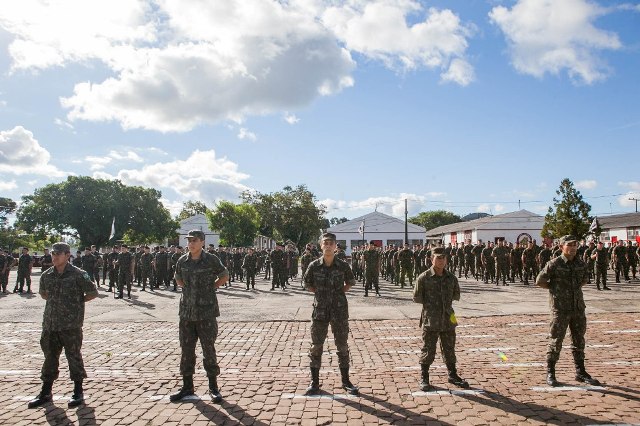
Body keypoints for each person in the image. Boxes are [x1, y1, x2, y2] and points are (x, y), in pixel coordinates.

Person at [28, 242, 98, 408]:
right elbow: (44, 294)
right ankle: (45, 392)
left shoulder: (79, 274)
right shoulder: (47, 275)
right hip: (51, 324)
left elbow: (92, 292)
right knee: (49, 358)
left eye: (58, 254)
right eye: (53, 254)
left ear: (67, 255)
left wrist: (75, 304)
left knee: (73, 357)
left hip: (70, 325)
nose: (54, 257)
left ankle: (78, 391)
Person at [170, 230, 229, 403]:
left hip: (206, 313)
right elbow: (178, 277)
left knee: (208, 350)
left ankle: (213, 387)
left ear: (202, 242)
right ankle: (187, 386)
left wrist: (212, 287)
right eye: (189, 240)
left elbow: (224, 275)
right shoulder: (183, 260)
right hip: (187, 313)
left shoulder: (211, 259)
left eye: (194, 240)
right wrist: (187, 290)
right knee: (186, 351)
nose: (191, 243)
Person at [536, 235, 601, 387]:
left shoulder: (580, 263)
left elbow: (584, 280)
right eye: (569, 245)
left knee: (579, 340)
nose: (572, 248)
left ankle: (580, 371)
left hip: (577, 307)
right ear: (561, 247)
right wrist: (555, 290)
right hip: (560, 308)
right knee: (556, 340)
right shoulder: (554, 264)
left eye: (575, 245)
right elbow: (540, 280)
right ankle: (550, 373)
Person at [303, 232, 358, 395]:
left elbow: (350, 282)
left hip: (339, 310)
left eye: (331, 243)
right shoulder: (314, 265)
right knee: (316, 346)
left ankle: (346, 381)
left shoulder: (343, 265)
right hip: (319, 311)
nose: (328, 246)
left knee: (342, 346)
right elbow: (307, 283)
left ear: (335, 247)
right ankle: (314, 382)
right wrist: (320, 293)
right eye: (325, 243)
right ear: (321, 246)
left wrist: (338, 293)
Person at [413, 247, 468, 391]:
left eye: (443, 258)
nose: (441, 261)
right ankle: (424, 377)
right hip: (431, 319)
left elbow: (456, 295)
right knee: (428, 349)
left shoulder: (451, 278)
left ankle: (453, 374)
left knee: (449, 348)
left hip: (449, 318)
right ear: (431, 259)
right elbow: (417, 297)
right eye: (438, 258)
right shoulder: (424, 278)